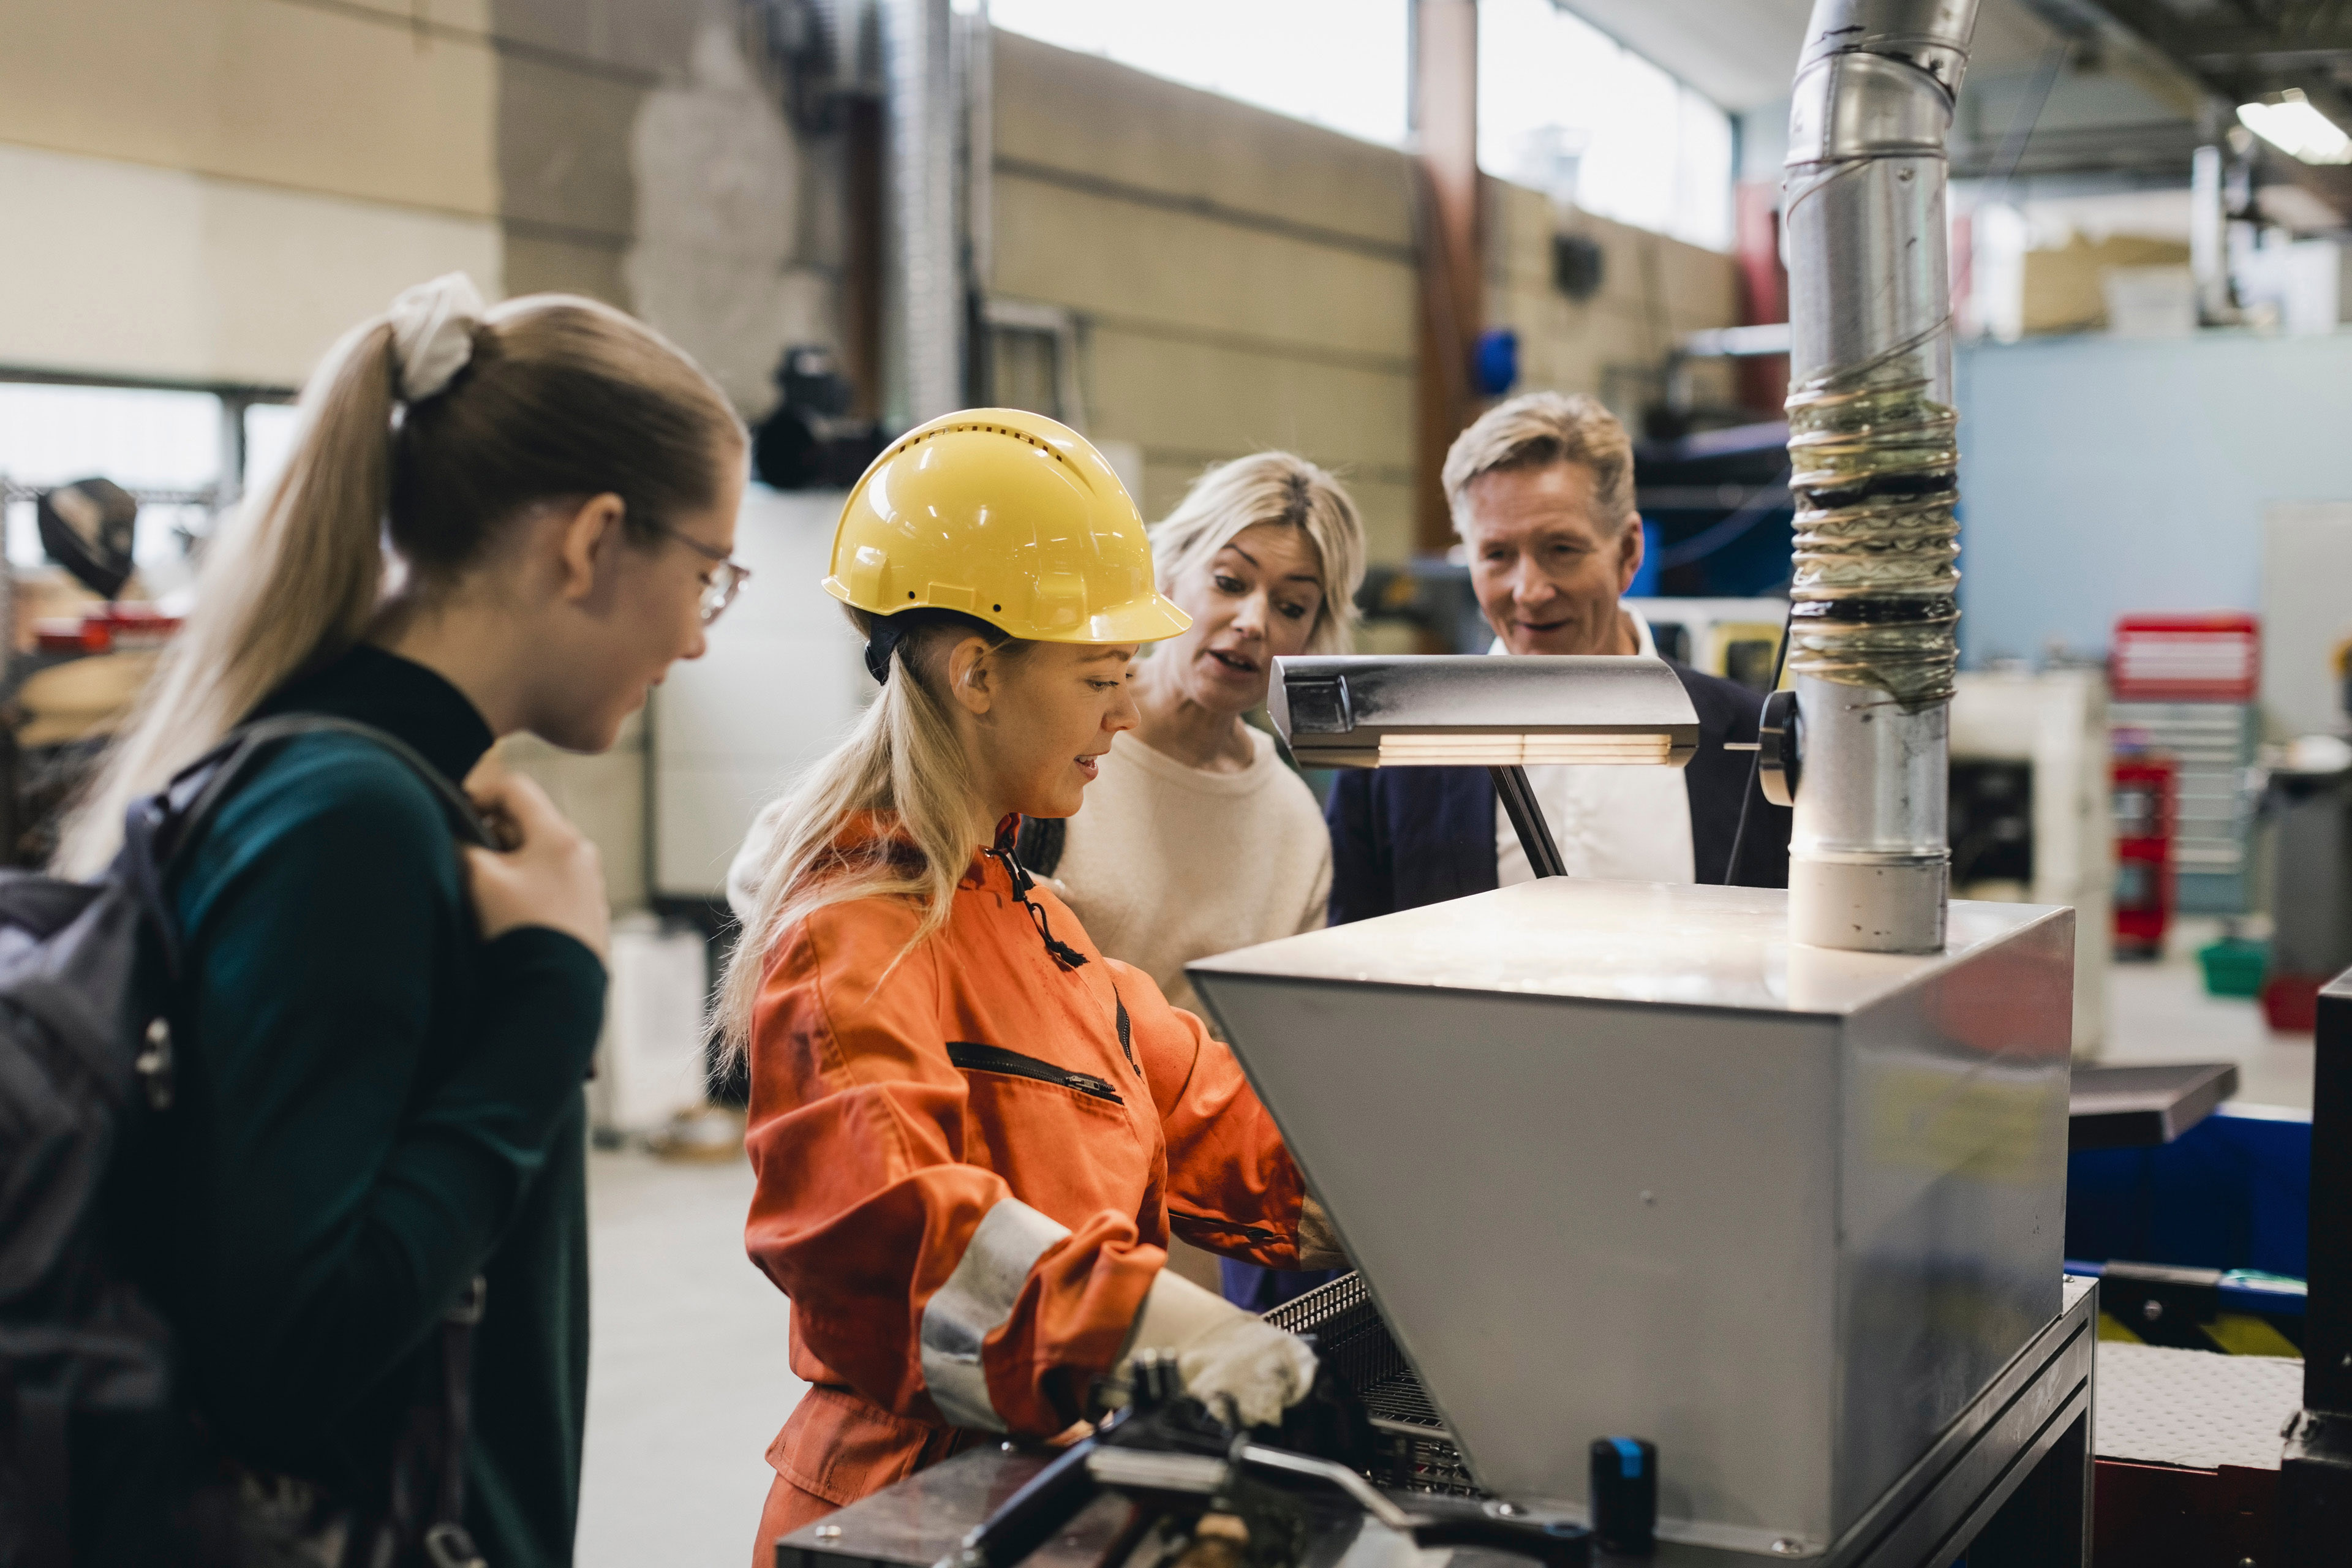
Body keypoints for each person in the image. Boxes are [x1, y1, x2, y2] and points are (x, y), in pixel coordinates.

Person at [62, 273, 747, 1567]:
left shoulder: (375, 793)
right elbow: (289, 1353)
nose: (704, 640)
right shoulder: (346, 819)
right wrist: (552, 993)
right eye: (710, 574)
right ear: (594, 539)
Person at [719, 409, 1338, 1559]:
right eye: (1102, 675)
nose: (1124, 707)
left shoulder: (1040, 928)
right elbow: (896, 1236)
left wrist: (1404, 1200)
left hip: (1049, 1489)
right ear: (977, 674)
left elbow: (1230, 1122)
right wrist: (1156, 1335)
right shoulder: (853, 932)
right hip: (906, 1512)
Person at [1326, 391, 1790, 920]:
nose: (1530, 590)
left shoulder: (1752, 742)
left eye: (1562, 550)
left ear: (1629, 550)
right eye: (1497, 555)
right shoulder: (1392, 757)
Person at [1024, 453, 1365, 1019]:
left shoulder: (1293, 825)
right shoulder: (1054, 736)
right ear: (1169, 573)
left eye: (1291, 606)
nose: (1253, 622)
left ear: (1312, 635)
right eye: (1230, 582)